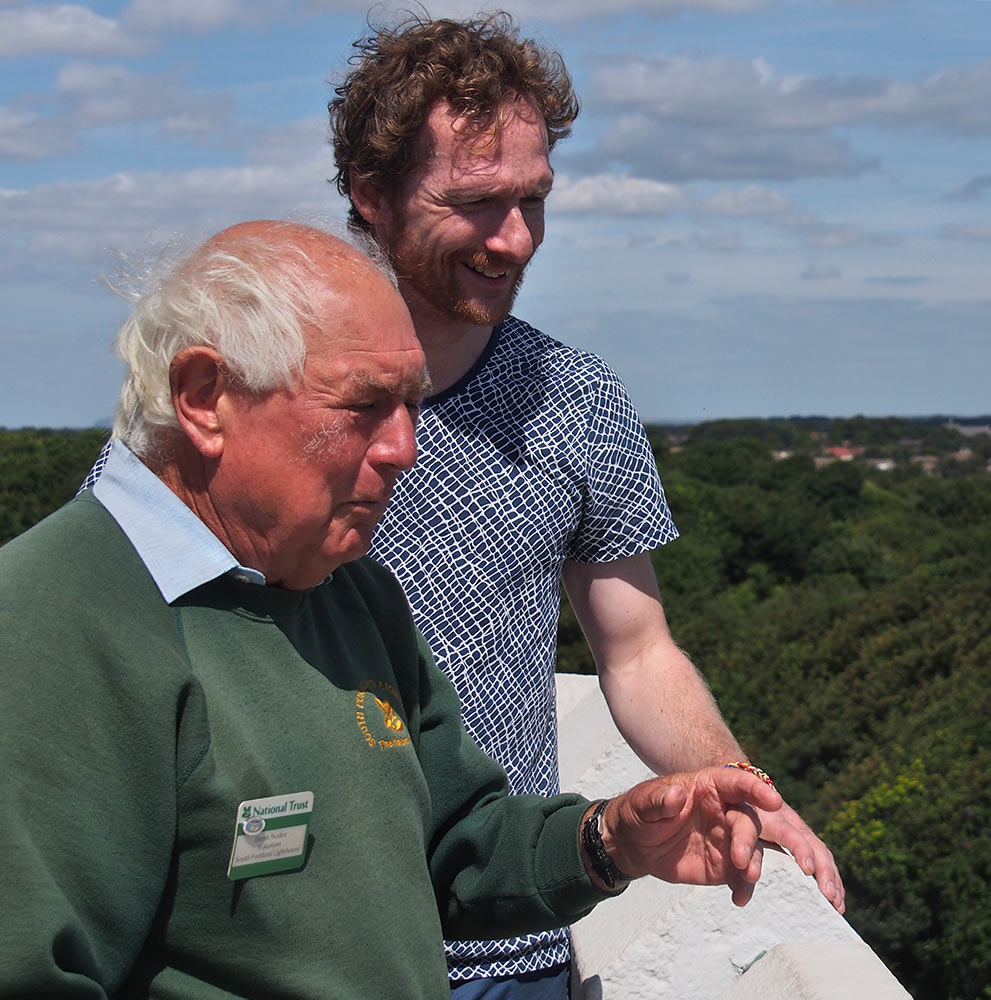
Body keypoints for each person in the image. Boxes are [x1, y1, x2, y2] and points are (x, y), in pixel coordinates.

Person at [0, 221, 785, 999]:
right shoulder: (53, 621)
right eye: (365, 405)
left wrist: (610, 840)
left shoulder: (348, 591)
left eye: (410, 404)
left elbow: (454, 847)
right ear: (205, 398)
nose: (404, 447)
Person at [327, 12, 846, 996]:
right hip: (312, 949)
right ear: (371, 197)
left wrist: (740, 788)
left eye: (535, 199)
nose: (515, 239)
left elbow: (637, 650)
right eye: (478, 202)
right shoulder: (263, 389)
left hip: (513, 940)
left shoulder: (577, 398)